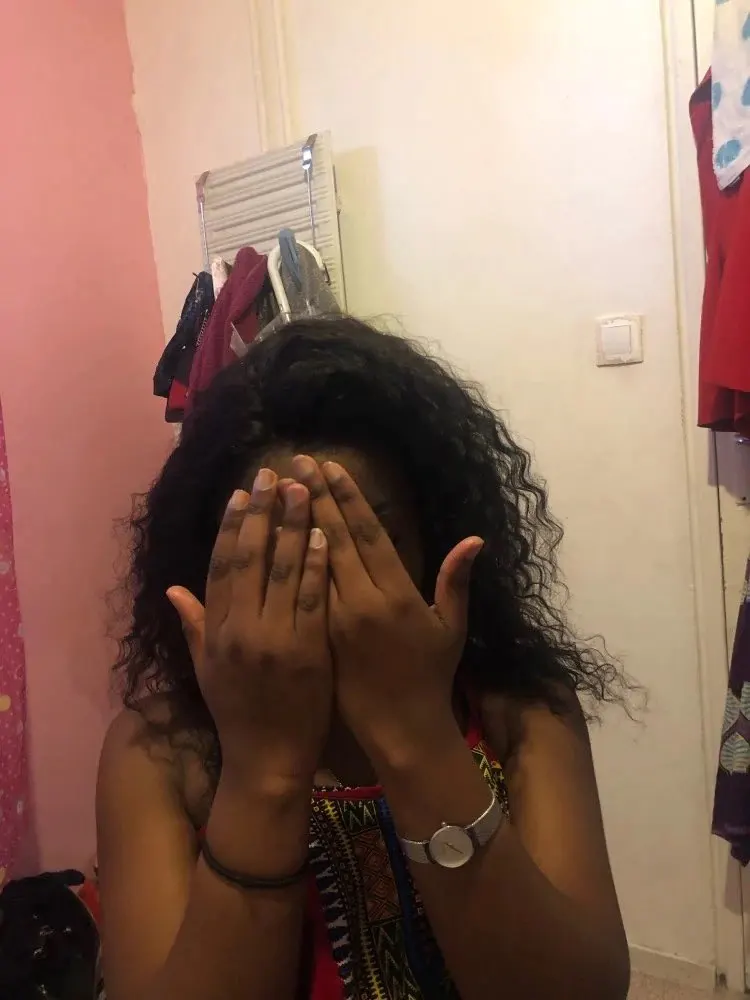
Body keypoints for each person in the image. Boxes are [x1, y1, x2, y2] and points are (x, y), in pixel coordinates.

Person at [97, 316, 631, 1000]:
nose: (321, 580)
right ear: (212, 562)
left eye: (363, 540)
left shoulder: (521, 713)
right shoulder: (158, 752)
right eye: (279, 548)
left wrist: (414, 733)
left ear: (437, 543)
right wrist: (264, 767)